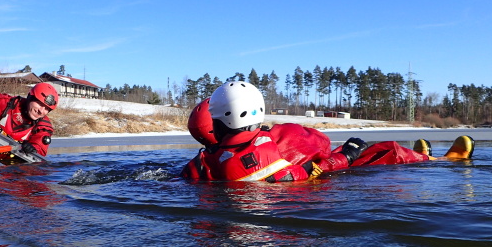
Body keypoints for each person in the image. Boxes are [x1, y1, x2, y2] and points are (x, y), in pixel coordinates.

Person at [181, 81, 473, 182]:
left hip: (285, 182)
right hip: (317, 185)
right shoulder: (266, 151)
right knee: (385, 151)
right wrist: (345, 155)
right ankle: (446, 161)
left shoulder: (203, 161)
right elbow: (312, 170)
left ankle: (422, 156)